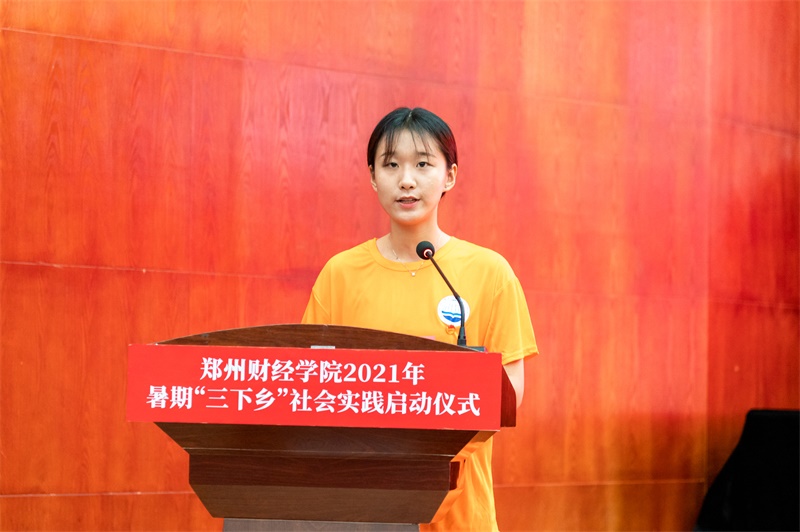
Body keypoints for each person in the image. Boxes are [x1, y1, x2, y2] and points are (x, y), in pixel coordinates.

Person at [302, 107, 538, 531]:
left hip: (459, 514)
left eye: (423, 164)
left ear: (449, 176)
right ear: (373, 177)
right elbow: (311, 384)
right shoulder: (340, 273)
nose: (406, 180)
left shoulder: (489, 272)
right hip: (363, 508)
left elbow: (510, 393)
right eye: (391, 165)